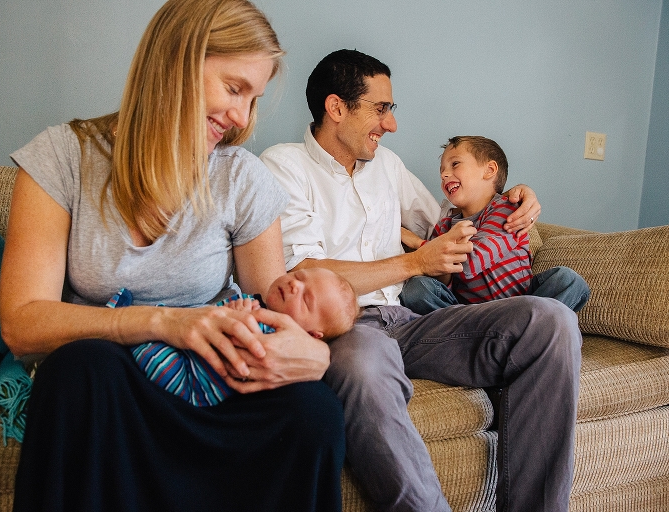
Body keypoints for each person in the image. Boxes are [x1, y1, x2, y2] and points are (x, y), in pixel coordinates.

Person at [0, 1, 346, 510]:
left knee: (312, 410)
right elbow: (22, 324)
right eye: (234, 89)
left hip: (206, 389)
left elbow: (276, 306)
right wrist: (164, 323)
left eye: (253, 99)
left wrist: (316, 354)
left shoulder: (241, 178)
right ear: (177, 61)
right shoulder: (62, 158)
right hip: (112, 392)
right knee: (81, 370)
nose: (241, 118)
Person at [260, 49, 582, 512]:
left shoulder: (387, 167)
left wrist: (512, 195)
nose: (390, 124)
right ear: (336, 108)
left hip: (414, 322)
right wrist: (415, 264)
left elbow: (451, 222)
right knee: (365, 363)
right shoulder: (284, 166)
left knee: (549, 320)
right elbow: (303, 273)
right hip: (351, 330)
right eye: (381, 108)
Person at [114, 267, 359, 407]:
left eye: (306, 300)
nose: (295, 285)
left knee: (145, 344)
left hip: (184, 378)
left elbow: (246, 355)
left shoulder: (276, 338)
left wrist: (239, 320)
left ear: (310, 335)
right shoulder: (256, 305)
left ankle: (120, 315)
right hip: (186, 351)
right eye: (298, 276)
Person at [400, 135, 590, 314]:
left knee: (568, 280)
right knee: (417, 289)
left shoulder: (508, 209)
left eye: (455, 164)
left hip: (518, 305)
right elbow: (440, 277)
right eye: (442, 171)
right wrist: (436, 263)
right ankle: (490, 337)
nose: (444, 175)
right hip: (469, 314)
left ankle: (518, 331)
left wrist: (418, 244)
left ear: (489, 170)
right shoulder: (444, 226)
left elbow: (471, 264)